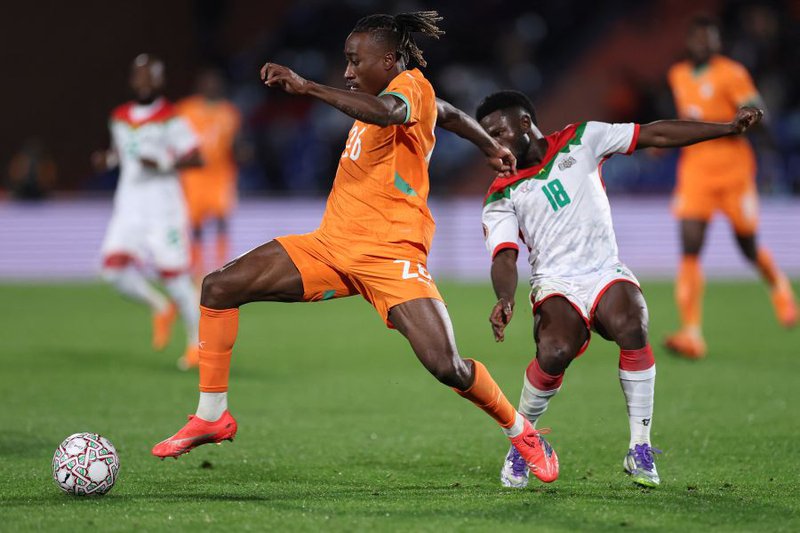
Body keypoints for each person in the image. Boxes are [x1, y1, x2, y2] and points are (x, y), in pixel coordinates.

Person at [152, 11, 560, 484]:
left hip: (392, 254)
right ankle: (211, 415)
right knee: (219, 287)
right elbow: (446, 113)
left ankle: (521, 430)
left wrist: (308, 88)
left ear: (388, 59)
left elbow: (394, 112)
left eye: (354, 61)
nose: (347, 72)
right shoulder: (395, 95)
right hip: (331, 245)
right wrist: (486, 141)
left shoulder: (410, 86)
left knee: (447, 366)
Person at [476, 90, 763, 488]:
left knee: (633, 324)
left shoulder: (582, 139)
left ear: (524, 124)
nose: (492, 144)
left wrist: (727, 128)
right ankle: (523, 445)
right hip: (556, 282)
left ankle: (640, 448)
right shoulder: (500, 193)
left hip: (604, 270)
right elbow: (504, 257)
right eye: (486, 137)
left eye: (498, 132)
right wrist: (505, 298)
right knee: (555, 351)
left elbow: (654, 135)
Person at [664, 16, 797, 359]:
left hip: (734, 171)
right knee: (690, 245)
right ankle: (692, 333)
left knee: (747, 245)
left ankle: (779, 286)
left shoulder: (731, 73)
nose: (704, 45)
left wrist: (751, 116)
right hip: (696, 171)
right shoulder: (677, 74)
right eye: (699, 39)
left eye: (711, 40)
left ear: (717, 43)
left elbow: (757, 106)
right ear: (690, 41)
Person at [93, 54, 203, 369]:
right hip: (128, 207)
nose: (144, 82)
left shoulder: (173, 118)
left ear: (160, 80)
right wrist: (107, 160)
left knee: (174, 277)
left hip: (164, 209)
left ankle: (197, 344)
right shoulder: (119, 117)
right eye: (139, 77)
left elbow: (197, 159)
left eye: (150, 77)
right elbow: (120, 154)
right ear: (132, 80)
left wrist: (165, 163)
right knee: (113, 271)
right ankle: (159, 307)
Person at [177, 69, 242, 280]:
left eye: (215, 82)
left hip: (221, 175)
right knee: (195, 224)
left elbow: (235, 143)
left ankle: (221, 266)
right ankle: (197, 269)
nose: (211, 86)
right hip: (194, 176)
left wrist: (242, 152)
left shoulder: (229, 112)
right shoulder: (185, 110)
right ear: (199, 85)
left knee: (222, 220)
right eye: (207, 82)